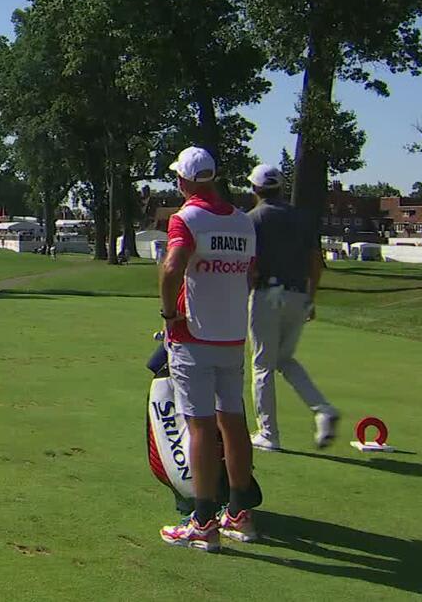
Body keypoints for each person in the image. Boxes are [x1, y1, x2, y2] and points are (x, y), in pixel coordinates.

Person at [157, 146, 260, 552]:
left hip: (194, 336)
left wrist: (169, 314)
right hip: (232, 335)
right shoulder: (243, 221)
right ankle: (238, 511)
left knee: (199, 426)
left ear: (183, 180)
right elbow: (249, 272)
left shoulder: (186, 218)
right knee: (232, 421)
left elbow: (172, 267)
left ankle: (202, 520)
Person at [243, 164, 339, 453]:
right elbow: (315, 261)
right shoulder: (301, 218)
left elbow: (251, 265)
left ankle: (268, 433)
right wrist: (311, 297)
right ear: (280, 188)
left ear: (255, 189)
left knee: (262, 364)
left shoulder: (252, 219)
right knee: (283, 360)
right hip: (298, 295)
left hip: (267, 295)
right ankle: (323, 409)